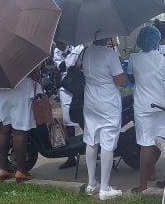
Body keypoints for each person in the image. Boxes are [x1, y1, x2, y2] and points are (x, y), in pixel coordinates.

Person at [82, 38, 126, 200]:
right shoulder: (110, 54)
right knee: (107, 143)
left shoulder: (86, 52)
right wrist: (120, 65)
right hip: (107, 102)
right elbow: (120, 81)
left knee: (91, 139)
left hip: (91, 101)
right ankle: (105, 187)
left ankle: (91, 183)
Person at [127, 26, 165, 192]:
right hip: (163, 105)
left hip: (143, 106)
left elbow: (131, 78)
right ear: (157, 40)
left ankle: (143, 185)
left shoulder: (134, 58)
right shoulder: (164, 58)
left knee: (146, 143)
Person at [0, 68, 44, 183]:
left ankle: (3, 169)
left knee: (3, 130)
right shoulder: (21, 52)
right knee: (20, 131)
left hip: (1, 86)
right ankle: (21, 171)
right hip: (21, 86)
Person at [52, 41, 83, 170]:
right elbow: (63, 67)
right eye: (56, 43)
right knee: (68, 122)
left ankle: (93, 150)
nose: (58, 46)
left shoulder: (79, 46)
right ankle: (71, 157)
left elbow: (79, 65)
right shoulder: (56, 52)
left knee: (84, 119)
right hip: (65, 88)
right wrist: (73, 64)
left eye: (60, 42)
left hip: (80, 86)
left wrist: (73, 64)